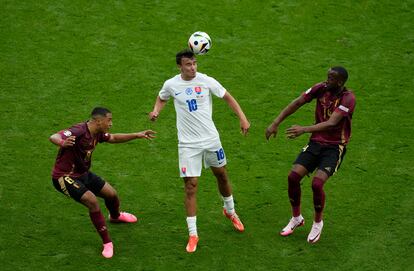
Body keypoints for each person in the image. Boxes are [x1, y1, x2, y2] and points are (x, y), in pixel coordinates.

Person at [149, 49, 250, 253]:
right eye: (188, 64)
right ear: (180, 66)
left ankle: (230, 211)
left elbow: (228, 97)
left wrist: (243, 118)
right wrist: (156, 111)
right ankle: (193, 234)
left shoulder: (206, 81)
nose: (193, 67)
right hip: (187, 145)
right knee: (191, 186)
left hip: (212, 140)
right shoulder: (171, 84)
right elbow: (162, 97)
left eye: (195, 63)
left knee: (222, 175)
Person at [49, 107, 156, 258]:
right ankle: (107, 242)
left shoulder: (97, 133)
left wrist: (137, 135)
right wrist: (62, 142)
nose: (111, 123)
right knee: (92, 201)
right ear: (98, 121)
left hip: (82, 174)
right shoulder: (79, 131)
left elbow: (113, 138)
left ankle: (115, 216)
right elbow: (53, 136)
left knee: (111, 194)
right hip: (64, 176)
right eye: (109, 120)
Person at [265, 67, 356, 243]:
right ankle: (296, 218)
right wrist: (275, 122)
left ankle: (317, 222)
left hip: (334, 147)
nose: (326, 80)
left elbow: (331, 123)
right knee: (293, 177)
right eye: (327, 77)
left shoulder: (348, 98)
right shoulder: (320, 88)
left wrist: (303, 129)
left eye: (331, 78)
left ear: (340, 82)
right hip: (316, 143)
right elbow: (297, 102)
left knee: (317, 183)